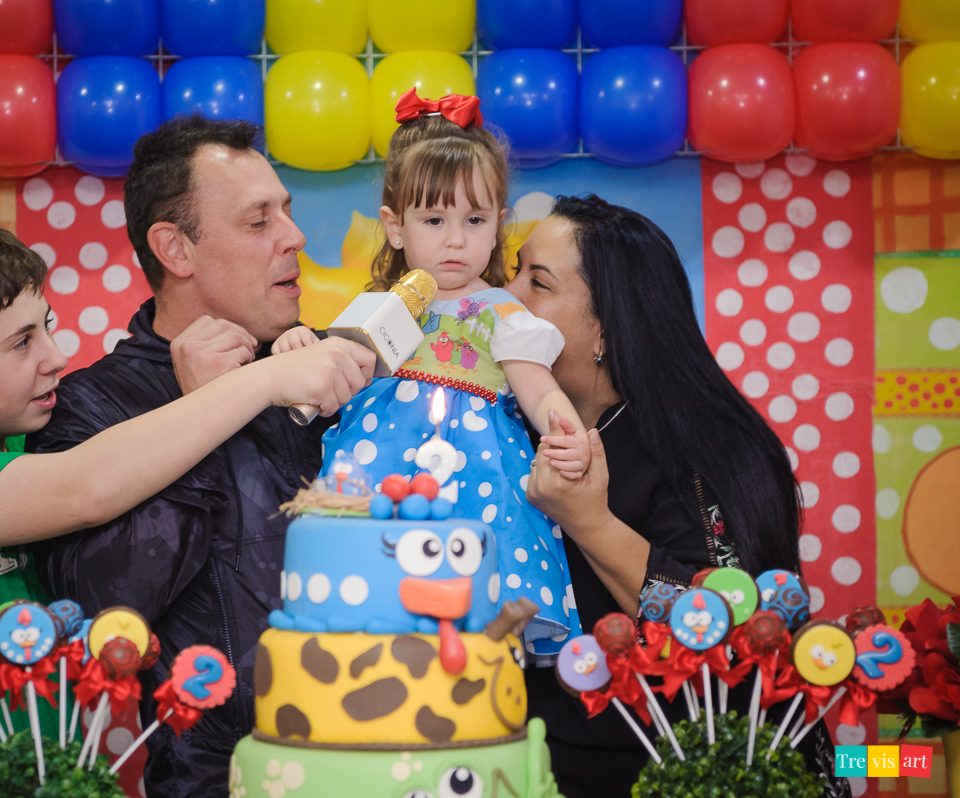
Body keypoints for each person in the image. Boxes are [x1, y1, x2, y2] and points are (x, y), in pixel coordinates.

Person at [0, 215, 371, 798]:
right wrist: (264, 379)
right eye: (20, 342)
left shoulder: (27, 441)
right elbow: (85, 490)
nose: (55, 357)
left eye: (46, 327)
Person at [26, 116, 375, 798]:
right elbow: (111, 610)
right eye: (258, 222)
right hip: (214, 775)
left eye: (288, 212)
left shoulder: (330, 365)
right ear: (175, 250)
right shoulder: (89, 409)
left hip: (386, 749)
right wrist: (204, 418)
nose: (295, 238)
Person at [514, 194, 847, 798]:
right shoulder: (500, 428)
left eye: (536, 283)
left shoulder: (711, 449)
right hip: (533, 760)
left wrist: (588, 521)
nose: (506, 297)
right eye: (511, 271)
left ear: (605, 331)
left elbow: (728, 633)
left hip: (685, 771)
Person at [273, 90, 590, 657]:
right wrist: (299, 349)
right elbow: (331, 390)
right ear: (395, 227)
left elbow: (537, 386)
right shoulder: (375, 309)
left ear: (498, 225)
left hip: (478, 480)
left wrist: (563, 426)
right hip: (380, 465)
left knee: (473, 628)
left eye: (474, 219)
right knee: (374, 609)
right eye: (433, 219)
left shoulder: (500, 311)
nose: (454, 239)